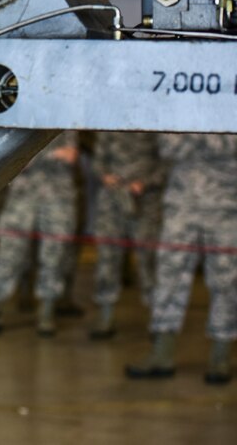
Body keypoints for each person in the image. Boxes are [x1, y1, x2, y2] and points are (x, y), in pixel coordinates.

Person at [126, 133, 237, 385]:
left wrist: (194, 137)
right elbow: (168, 146)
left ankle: (220, 356)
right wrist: (213, 139)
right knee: (168, 275)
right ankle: (161, 353)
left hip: (226, 206)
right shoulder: (184, 97)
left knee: (226, 281)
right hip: (181, 204)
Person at [0, 132, 79, 337]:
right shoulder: (22, 119)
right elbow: (9, 155)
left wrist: (33, 155)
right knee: (7, 253)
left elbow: (70, 155)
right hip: (23, 194)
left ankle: (46, 312)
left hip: (57, 196)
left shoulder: (65, 118)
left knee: (54, 255)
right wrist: (51, 154)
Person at [88, 132, 165, 338]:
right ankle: (106, 316)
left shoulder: (154, 127)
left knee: (147, 262)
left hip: (145, 203)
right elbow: (98, 161)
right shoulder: (109, 126)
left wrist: (145, 182)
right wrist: (105, 176)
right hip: (112, 201)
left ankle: (157, 319)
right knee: (107, 260)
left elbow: (165, 164)